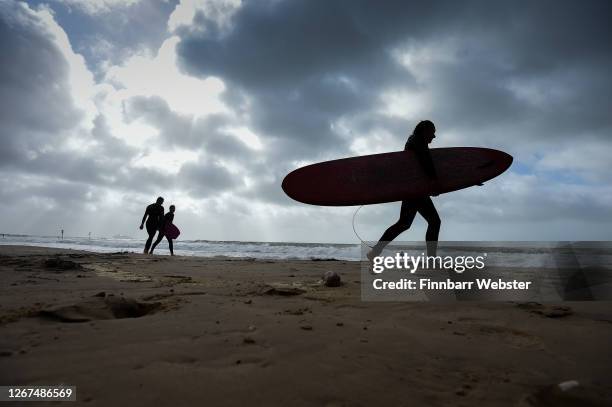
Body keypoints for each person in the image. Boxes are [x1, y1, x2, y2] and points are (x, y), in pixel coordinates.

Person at [368, 120, 441, 260]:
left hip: (415, 190)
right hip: (415, 191)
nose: (434, 136)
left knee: (404, 224)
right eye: (433, 132)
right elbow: (426, 163)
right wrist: (434, 181)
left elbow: (427, 162)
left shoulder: (417, 142)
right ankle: (431, 259)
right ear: (425, 130)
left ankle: (375, 252)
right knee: (432, 221)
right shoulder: (416, 141)